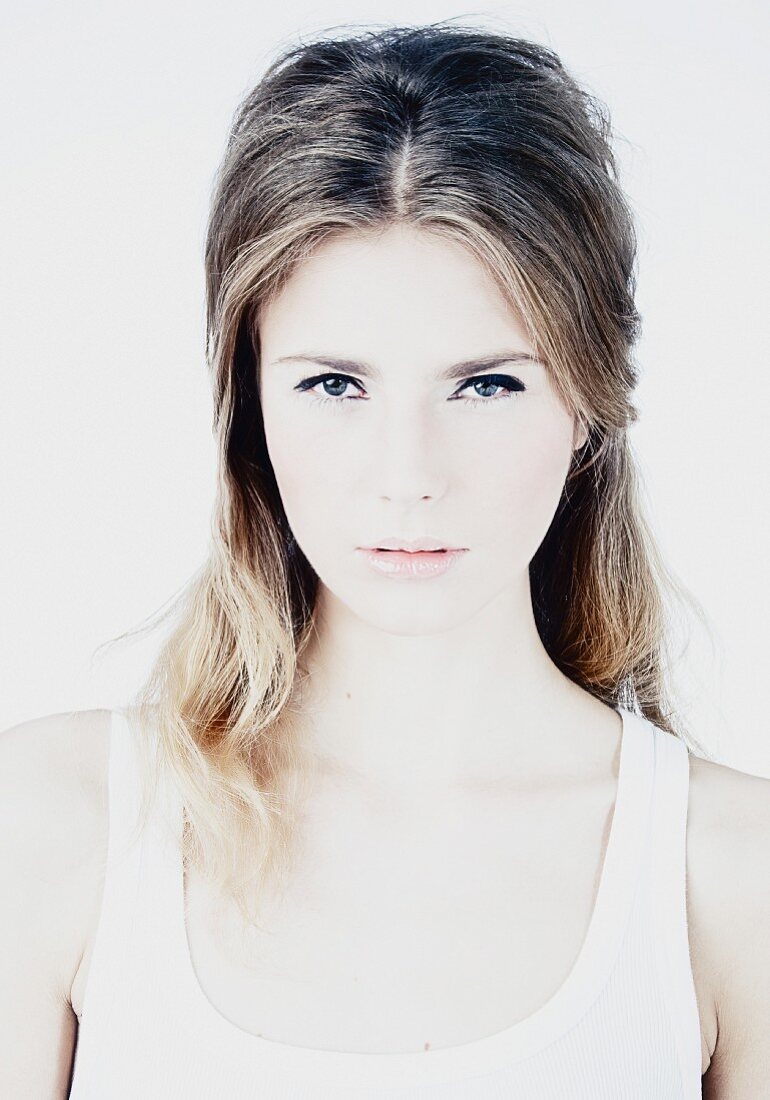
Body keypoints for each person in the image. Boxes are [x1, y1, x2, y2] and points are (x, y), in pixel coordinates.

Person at [2, 20, 768, 1099]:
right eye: (335, 385)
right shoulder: (55, 823)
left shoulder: (731, 876)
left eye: (485, 384)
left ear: (588, 404)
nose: (406, 475)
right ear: (248, 403)